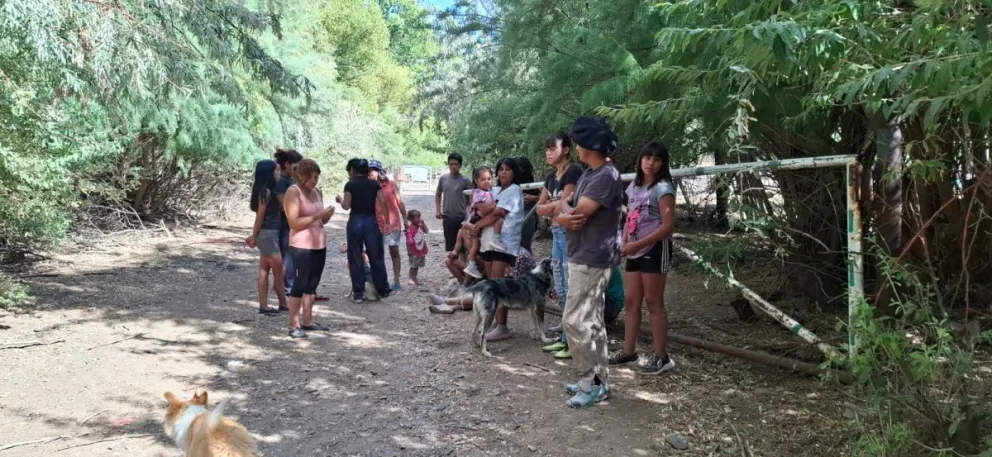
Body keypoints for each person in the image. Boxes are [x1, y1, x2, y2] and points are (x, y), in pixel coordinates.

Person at [556, 115, 623, 408]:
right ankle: (598, 381)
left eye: (579, 142)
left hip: (592, 259)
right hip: (582, 256)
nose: (577, 147)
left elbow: (576, 214)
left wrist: (562, 212)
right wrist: (562, 213)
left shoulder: (606, 176)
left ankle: (590, 381)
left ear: (589, 145)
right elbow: (563, 209)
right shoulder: (589, 174)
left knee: (575, 320)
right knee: (592, 321)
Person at [610, 141, 677, 374]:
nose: (651, 163)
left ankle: (661, 357)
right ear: (641, 160)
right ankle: (629, 352)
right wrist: (625, 240)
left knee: (653, 302)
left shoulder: (663, 188)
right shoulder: (634, 187)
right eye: (647, 157)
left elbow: (668, 226)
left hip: (655, 250)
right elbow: (630, 218)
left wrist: (638, 243)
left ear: (663, 163)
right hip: (634, 250)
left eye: (657, 159)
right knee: (631, 302)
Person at [535, 132, 584, 360]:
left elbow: (564, 205)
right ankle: (564, 338)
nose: (548, 152)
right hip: (556, 234)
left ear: (566, 149)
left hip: (568, 234)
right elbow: (540, 208)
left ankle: (572, 342)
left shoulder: (573, 171)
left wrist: (552, 207)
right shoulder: (551, 176)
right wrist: (552, 207)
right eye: (546, 149)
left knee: (570, 287)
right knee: (561, 288)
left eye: (552, 148)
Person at [469, 157, 526, 341]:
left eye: (508, 169)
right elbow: (480, 206)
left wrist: (477, 226)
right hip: (488, 243)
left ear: (514, 173)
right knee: (491, 282)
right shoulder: (492, 190)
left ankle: (502, 326)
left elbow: (498, 212)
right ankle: (494, 322)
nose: (503, 172)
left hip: (504, 244)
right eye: (500, 169)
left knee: (497, 285)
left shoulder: (514, 190)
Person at [283, 159, 336, 339]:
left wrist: (326, 215)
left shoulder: (317, 192)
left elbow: (321, 220)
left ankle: (307, 321)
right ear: (302, 176)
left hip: (319, 244)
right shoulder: (293, 192)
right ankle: (293, 324)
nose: (315, 181)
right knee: (299, 284)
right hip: (301, 246)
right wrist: (318, 215)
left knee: (312, 285)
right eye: (312, 177)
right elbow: (294, 222)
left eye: (317, 177)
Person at [337, 158, 391, 302]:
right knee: (376, 256)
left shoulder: (350, 185)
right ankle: (383, 289)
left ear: (353, 171)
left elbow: (346, 206)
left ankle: (358, 293)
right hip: (371, 221)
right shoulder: (374, 184)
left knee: (355, 258)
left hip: (355, 221)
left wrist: (340, 200)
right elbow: (383, 202)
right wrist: (387, 222)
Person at [426, 246, 535, 314]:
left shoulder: (515, 255)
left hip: (522, 293)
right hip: (517, 288)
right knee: (487, 290)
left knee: (488, 292)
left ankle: (447, 301)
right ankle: (453, 306)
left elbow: (512, 283)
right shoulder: (507, 250)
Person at [245, 160, 289, 316]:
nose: (278, 174)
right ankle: (283, 303)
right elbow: (259, 217)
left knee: (264, 271)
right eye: (276, 171)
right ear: (269, 174)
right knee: (279, 270)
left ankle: (263, 305)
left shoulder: (267, 191)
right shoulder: (267, 192)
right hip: (267, 235)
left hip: (269, 235)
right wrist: (254, 237)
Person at [452, 166, 500, 279]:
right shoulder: (478, 193)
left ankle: (475, 268)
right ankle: (472, 265)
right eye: (483, 179)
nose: (487, 181)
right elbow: (484, 210)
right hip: (476, 220)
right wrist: (494, 206)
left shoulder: (489, 192)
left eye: (489, 178)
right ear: (476, 181)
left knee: (477, 244)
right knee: (475, 245)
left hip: (482, 221)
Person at [273, 148, 305, 306]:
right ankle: (288, 289)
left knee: (294, 256)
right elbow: (281, 204)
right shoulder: (282, 182)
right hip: (284, 225)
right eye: (295, 167)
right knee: (288, 257)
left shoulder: (291, 180)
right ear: (287, 165)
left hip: (293, 224)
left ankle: (294, 287)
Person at [369, 159, 406, 291]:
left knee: (394, 251)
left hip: (392, 222)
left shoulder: (390, 185)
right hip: (375, 223)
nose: (371, 173)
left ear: (379, 171)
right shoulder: (368, 187)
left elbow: (400, 202)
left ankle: (396, 280)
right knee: (374, 253)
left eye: (374, 170)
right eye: (369, 170)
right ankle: (377, 280)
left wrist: (406, 220)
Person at [435, 153, 473, 253]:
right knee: (450, 247)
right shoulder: (443, 179)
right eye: (451, 164)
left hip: (462, 217)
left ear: (460, 165)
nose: (453, 166)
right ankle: (452, 266)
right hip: (447, 217)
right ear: (448, 164)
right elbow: (438, 194)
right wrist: (438, 210)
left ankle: (462, 267)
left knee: (463, 247)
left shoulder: (466, 180)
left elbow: (471, 200)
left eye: (456, 164)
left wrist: (470, 217)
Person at [516, 156, 541, 252]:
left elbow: (546, 198)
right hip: (518, 216)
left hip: (528, 215)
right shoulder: (513, 183)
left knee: (524, 247)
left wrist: (533, 198)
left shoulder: (531, 183)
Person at [405, 210, 429, 286]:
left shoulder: (420, 226)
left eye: (418, 217)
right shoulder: (410, 229)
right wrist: (409, 250)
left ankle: (414, 278)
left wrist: (423, 224)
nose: (417, 219)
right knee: (413, 265)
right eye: (415, 217)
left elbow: (427, 231)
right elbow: (408, 241)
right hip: (413, 250)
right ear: (410, 219)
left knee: (417, 264)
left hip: (420, 248)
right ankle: (411, 278)